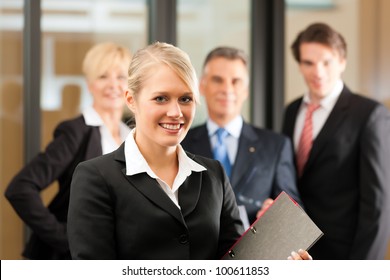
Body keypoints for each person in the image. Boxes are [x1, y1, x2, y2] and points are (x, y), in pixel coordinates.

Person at [67, 41, 312, 260]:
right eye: (161, 98)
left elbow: (236, 266)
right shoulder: (95, 177)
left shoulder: (213, 174)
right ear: (131, 100)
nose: (176, 112)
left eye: (185, 99)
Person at [4, 42, 132, 259]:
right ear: (90, 84)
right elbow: (20, 188)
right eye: (102, 76)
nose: (113, 84)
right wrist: (66, 238)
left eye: (121, 77)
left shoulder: (133, 136)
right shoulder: (75, 132)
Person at [282, 22, 390, 259]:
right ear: (299, 65)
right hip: (296, 253)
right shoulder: (291, 111)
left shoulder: (370, 115)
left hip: (345, 255)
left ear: (342, 62)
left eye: (326, 62)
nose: (317, 72)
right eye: (308, 63)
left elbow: (378, 207)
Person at [181, 46, 302, 224]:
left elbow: (296, 216)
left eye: (235, 81)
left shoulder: (276, 146)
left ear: (246, 90)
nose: (226, 89)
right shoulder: (180, 144)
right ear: (202, 86)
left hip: (255, 250)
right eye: (217, 80)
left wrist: (279, 213)